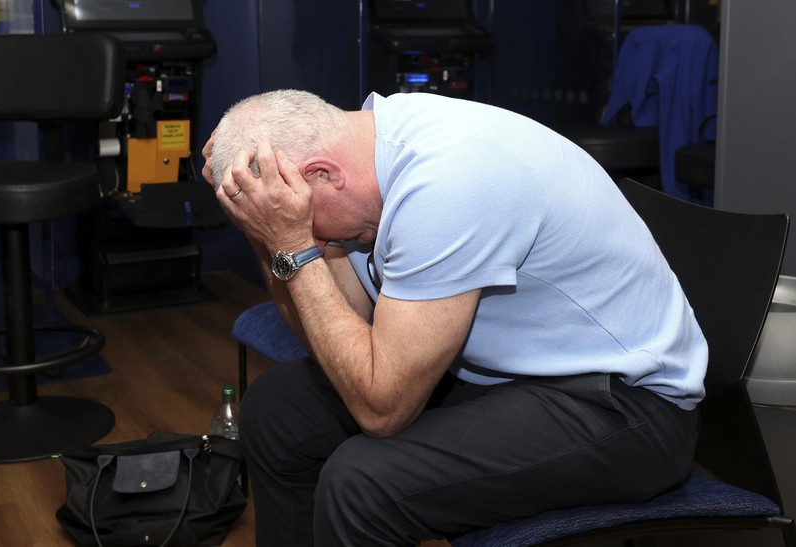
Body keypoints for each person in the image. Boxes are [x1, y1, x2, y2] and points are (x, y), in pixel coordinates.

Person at [201, 89, 707, 547]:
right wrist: (263, 227)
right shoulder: (364, 155)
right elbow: (338, 331)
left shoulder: (449, 181)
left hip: (627, 408)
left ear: (320, 175)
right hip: (504, 372)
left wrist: (289, 242)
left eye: (299, 217)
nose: (322, 242)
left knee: (361, 483)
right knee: (275, 412)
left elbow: (381, 408)